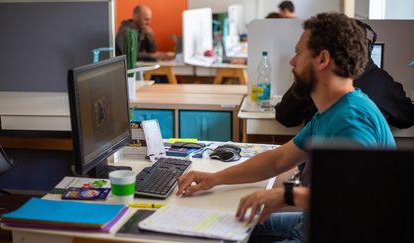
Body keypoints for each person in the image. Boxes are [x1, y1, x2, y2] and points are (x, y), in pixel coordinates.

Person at [176, 12, 396, 242]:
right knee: (221, 226)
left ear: (322, 59)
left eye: (299, 53)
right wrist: (215, 178)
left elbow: (356, 198)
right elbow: (277, 160)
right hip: (310, 222)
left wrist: (287, 195)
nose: (292, 62)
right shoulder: (333, 110)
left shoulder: (351, 120)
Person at [275, 20, 414, 129]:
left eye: (299, 53)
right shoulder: (382, 82)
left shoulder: (344, 108)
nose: (293, 62)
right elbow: (406, 118)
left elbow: (285, 116)